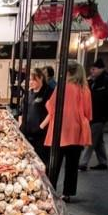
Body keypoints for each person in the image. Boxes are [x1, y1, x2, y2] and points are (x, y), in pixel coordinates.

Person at [41, 60, 92, 202]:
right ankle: (67, 194)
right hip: (77, 132)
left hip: (60, 131)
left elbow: (51, 106)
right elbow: (89, 113)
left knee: (54, 164)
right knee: (72, 165)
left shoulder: (62, 87)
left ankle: (51, 191)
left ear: (68, 72)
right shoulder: (85, 89)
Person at [79, 58, 108, 171]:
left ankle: (83, 163)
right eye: (91, 69)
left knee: (90, 139)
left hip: (100, 115)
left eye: (94, 69)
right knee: (99, 141)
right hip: (92, 114)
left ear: (101, 69)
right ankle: (103, 162)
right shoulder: (92, 80)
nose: (92, 71)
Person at [21, 67, 52, 167]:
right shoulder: (28, 93)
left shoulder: (48, 92)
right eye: (29, 79)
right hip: (28, 132)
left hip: (41, 135)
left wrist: (41, 127)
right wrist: (21, 125)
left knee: (41, 162)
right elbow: (22, 111)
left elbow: (51, 113)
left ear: (41, 78)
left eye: (33, 80)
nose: (30, 82)